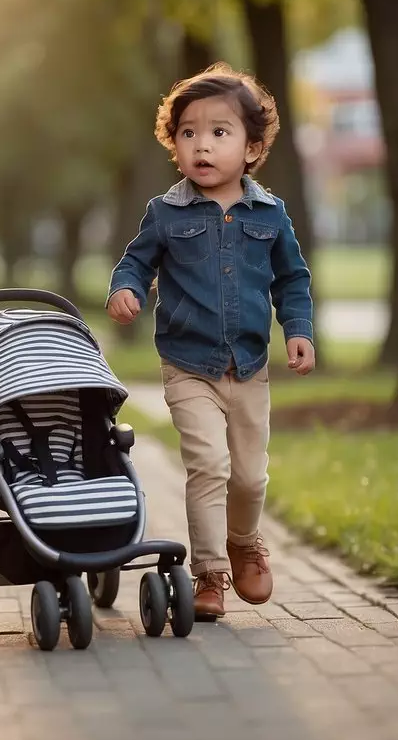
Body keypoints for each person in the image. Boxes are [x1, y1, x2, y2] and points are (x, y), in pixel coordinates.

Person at [106, 63, 315, 620]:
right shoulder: (166, 213)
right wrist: (125, 289)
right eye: (188, 133)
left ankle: (243, 541)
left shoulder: (270, 214)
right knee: (209, 466)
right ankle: (209, 573)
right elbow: (134, 261)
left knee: (249, 475)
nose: (202, 145)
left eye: (219, 132)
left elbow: (292, 279)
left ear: (252, 147)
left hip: (248, 365)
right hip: (188, 365)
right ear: (174, 145)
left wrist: (297, 330)